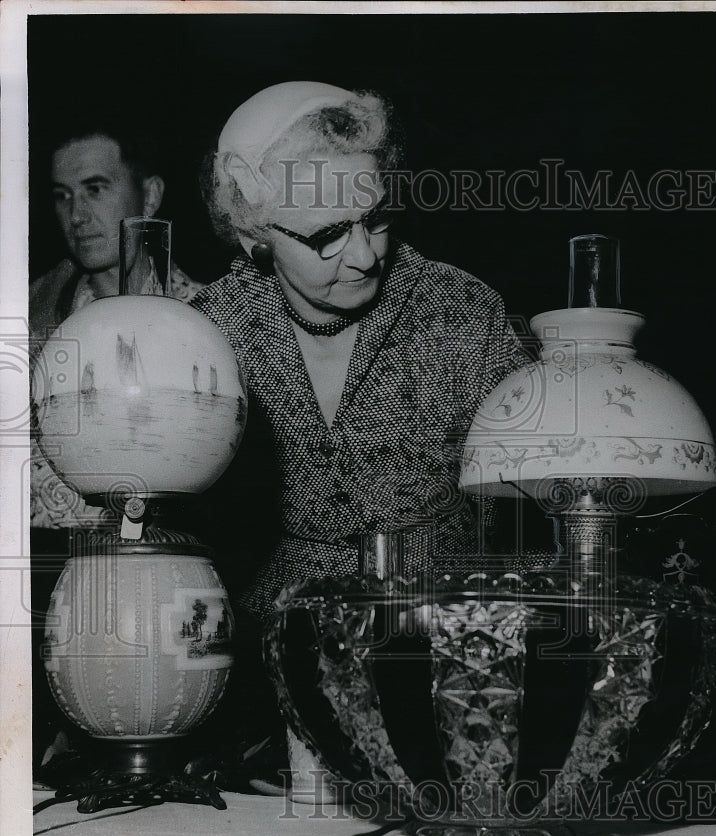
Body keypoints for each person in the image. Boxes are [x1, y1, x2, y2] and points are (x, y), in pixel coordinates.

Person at [190, 81, 533, 789]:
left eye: (374, 218)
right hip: (256, 695)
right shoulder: (208, 333)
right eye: (324, 236)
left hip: (453, 674)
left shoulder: (460, 310)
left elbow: (539, 511)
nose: (365, 255)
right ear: (254, 234)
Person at [29, 120, 204, 529]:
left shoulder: (211, 318)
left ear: (150, 195)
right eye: (62, 196)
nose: (76, 215)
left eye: (95, 188)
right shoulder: (33, 324)